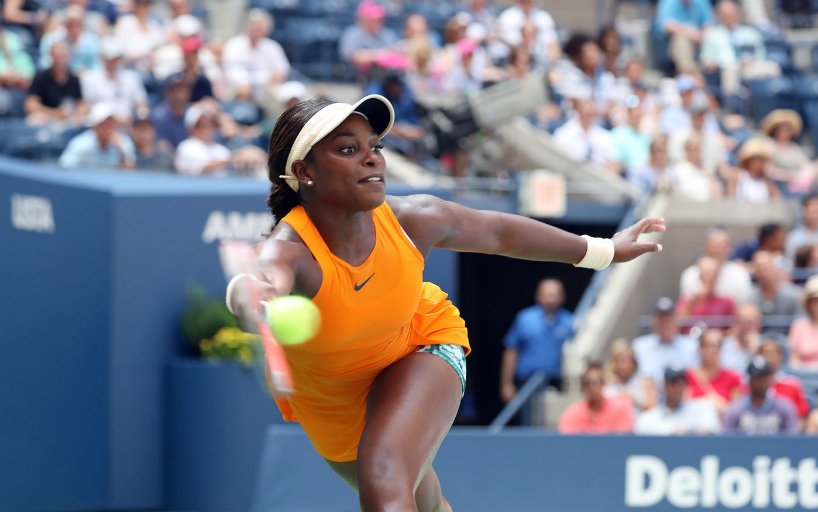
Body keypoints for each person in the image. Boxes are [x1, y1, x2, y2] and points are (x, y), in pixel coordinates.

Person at [225, 94, 665, 510]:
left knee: (384, 479)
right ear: (304, 171)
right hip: (333, 403)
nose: (372, 158)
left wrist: (604, 250)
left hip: (421, 344)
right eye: (347, 149)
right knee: (423, 500)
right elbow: (261, 280)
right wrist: (251, 297)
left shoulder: (412, 218)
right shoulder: (290, 251)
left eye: (375, 146)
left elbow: (500, 233)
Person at [500, 278, 573, 407]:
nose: (551, 298)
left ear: (562, 297)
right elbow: (511, 351)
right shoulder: (524, 319)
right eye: (547, 294)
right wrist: (506, 384)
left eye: (555, 294)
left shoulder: (570, 322)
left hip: (556, 383)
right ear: (538, 296)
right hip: (527, 383)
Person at [723, 356, 800, 434]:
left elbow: (792, 437)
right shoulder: (735, 410)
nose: (761, 382)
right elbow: (728, 438)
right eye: (757, 378)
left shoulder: (784, 407)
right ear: (750, 380)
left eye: (764, 377)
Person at [634, 366, 722, 435]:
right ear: (665, 386)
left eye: (682, 382)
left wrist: (690, 432)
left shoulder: (702, 408)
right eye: (674, 382)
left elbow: (712, 433)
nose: (678, 387)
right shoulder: (647, 419)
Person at [632, 297, 699, 387]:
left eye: (668, 318)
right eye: (661, 319)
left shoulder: (691, 346)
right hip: (648, 393)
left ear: (676, 319)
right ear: (653, 321)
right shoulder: (639, 346)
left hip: (683, 394)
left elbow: (699, 377)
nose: (665, 323)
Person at [558, 362, 634, 434]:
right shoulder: (572, 413)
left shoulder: (620, 409)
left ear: (603, 383)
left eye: (596, 382)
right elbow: (567, 440)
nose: (593, 387)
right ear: (582, 387)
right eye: (588, 383)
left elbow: (623, 439)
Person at [58, 102, 136, 169]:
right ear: (95, 126)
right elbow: (64, 167)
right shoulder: (81, 144)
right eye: (104, 124)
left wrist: (121, 151)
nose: (109, 128)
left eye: (112, 123)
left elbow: (130, 172)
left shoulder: (124, 143)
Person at [684, 328, 742, 414]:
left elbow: (737, 410)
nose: (709, 350)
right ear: (699, 348)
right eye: (705, 345)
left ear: (721, 349)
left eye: (713, 346)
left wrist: (723, 407)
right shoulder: (688, 376)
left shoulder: (733, 377)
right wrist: (705, 404)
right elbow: (684, 406)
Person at [675, 256, 736, 332]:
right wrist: (694, 301)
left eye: (713, 274)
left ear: (718, 277)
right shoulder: (687, 301)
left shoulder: (727, 302)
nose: (709, 278)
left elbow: (733, 329)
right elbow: (676, 325)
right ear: (699, 276)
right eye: (706, 274)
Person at [758, 339, 812, 420]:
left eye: (772, 355)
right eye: (765, 355)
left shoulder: (793, 385)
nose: (769, 359)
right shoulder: (752, 384)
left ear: (780, 357)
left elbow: (802, 416)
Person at [750, 250, 802, 333]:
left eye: (767, 268)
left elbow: (801, 325)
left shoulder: (794, 296)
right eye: (759, 269)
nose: (764, 273)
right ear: (755, 273)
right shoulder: (750, 299)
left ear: (775, 269)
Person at [604, 338, 657, 412]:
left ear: (633, 362)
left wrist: (631, 397)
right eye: (618, 360)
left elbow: (653, 408)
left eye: (624, 360)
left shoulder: (645, 381)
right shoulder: (606, 383)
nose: (621, 365)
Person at [720, 302, 764, 374]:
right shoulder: (723, 346)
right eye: (743, 322)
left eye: (751, 322)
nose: (747, 327)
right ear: (735, 322)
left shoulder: (766, 347)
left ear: (759, 324)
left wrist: (756, 353)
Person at [788, 275, 818, 369]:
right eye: (815, 301)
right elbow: (794, 358)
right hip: (803, 374)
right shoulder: (798, 326)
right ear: (808, 304)